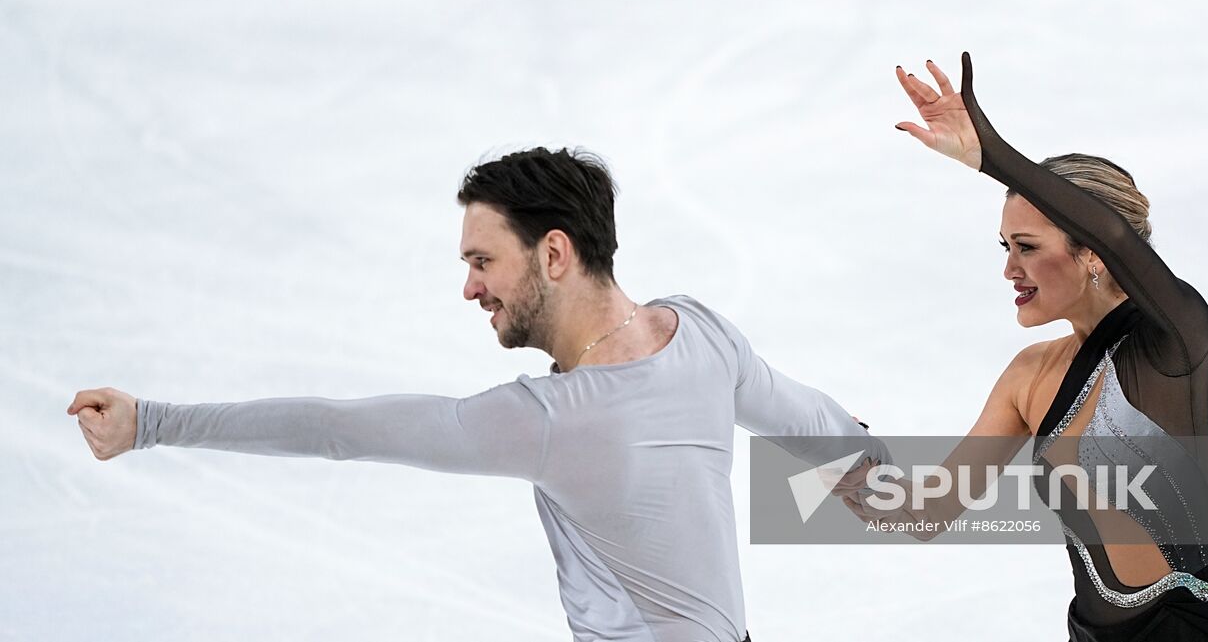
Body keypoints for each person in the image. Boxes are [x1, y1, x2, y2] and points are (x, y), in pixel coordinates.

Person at [67, 147, 887, 642]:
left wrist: (154, 423)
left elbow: (337, 429)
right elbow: (809, 417)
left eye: (484, 260)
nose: (469, 287)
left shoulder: (553, 423)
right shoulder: (698, 333)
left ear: (554, 253)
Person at [841, 53, 1208, 641]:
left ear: (1090, 251)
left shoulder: (1170, 345)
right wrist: (833, 460)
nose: (1010, 268)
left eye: (1028, 246)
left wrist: (990, 156)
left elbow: (1115, 233)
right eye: (1005, 246)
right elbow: (925, 513)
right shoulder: (1029, 376)